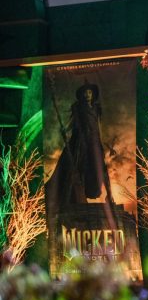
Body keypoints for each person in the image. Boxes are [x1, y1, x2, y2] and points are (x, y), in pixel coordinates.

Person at [45, 79, 114, 209]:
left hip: (94, 141)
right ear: (82, 95)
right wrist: (66, 129)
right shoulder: (78, 107)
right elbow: (73, 122)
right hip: (81, 141)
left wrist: (103, 142)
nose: (87, 95)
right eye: (85, 92)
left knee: (99, 166)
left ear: (93, 94)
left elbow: (98, 126)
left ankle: (109, 197)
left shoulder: (96, 108)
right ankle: (73, 198)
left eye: (90, 92)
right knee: (78, 166)